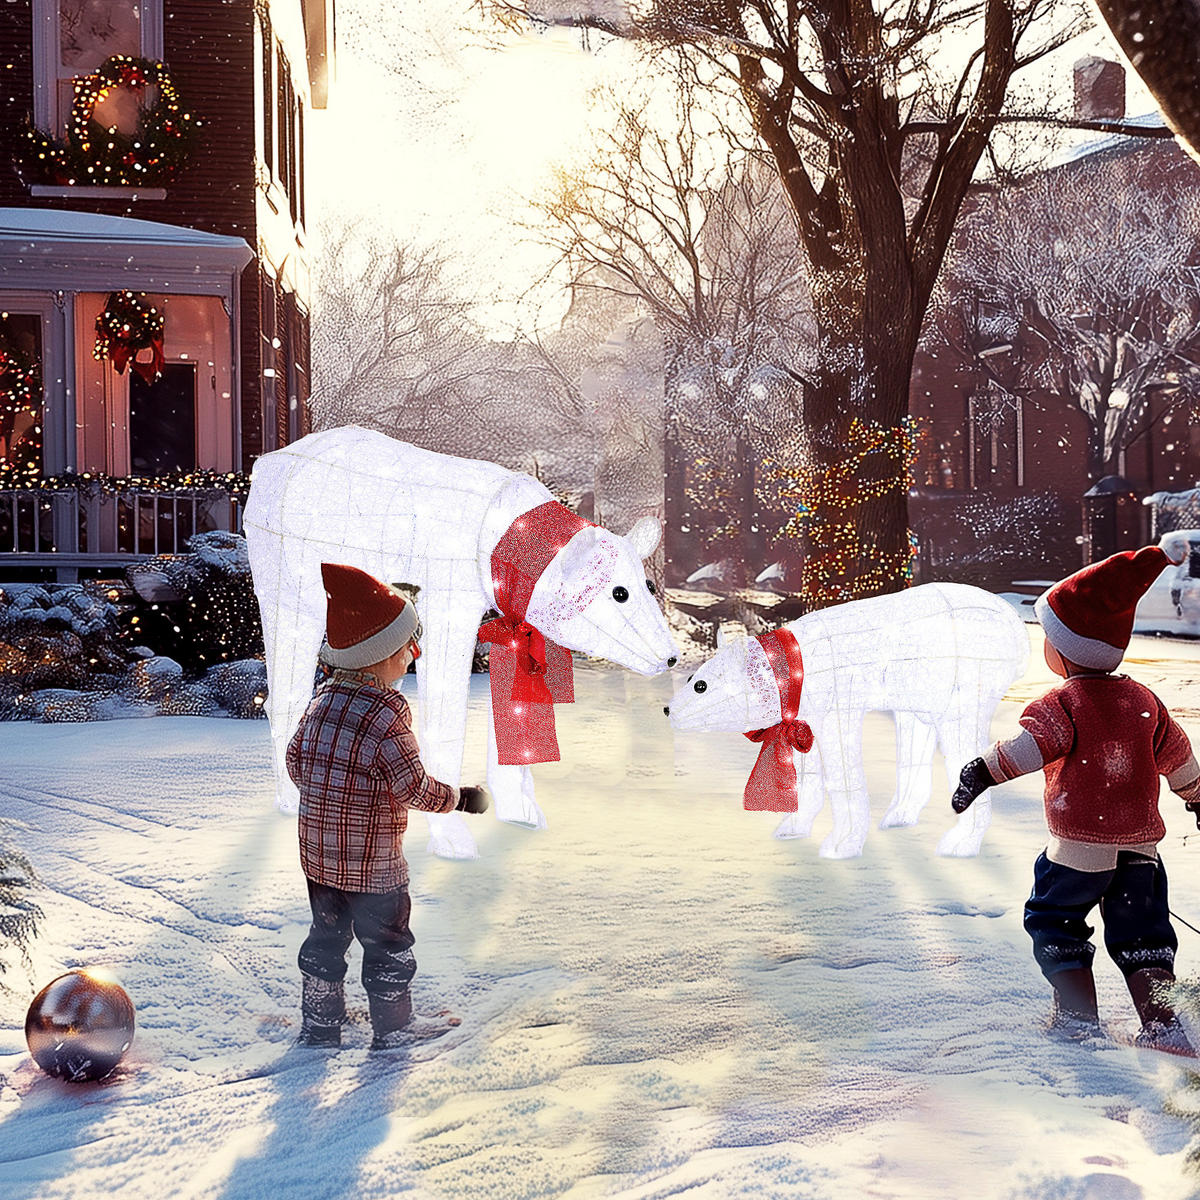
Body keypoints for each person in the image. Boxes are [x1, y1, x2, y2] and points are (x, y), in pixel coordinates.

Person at [951, 541, 1200, 1050]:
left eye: (1049, 636)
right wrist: (1197, 797)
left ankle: (1078, 1018)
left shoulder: (1062, 704)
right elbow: (1178, 758)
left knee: (1055, 922)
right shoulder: (1143, 700)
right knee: (1144, 937)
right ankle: (1164, 1026)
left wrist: (980, 771)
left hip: (1078, 849)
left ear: (1066, 649)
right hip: (1140, 849)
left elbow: (1025, 750)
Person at [286, 562, 490, 1050]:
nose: (413, 655)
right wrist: (461, 798)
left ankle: (320, 1024)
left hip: (320, 863)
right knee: (388, 946)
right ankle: (394, 1028)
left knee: (326, 939)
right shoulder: (385, 717)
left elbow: (296, 762)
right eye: (406, 648)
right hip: (375, 870)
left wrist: (331, 794)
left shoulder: (320, 703)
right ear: (377, 658)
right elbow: (412, 787)